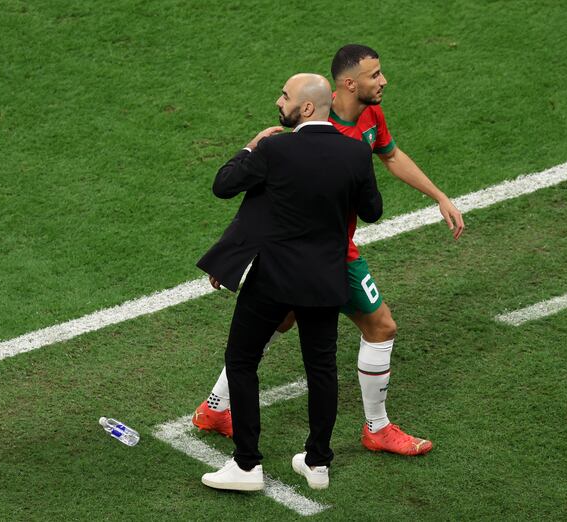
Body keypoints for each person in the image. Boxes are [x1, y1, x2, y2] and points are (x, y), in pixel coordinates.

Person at [193, 44, 463, 456]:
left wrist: (439, 195)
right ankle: (374, 429)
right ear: (349, 84)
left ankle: (215, 407)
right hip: (327, 257)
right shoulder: (314, 128)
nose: (384, 81)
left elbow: (390, 154)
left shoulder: (370, 115)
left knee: (279, 323)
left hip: (318, 253)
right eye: (375, 75)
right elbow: (264, 202)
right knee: (379, 327)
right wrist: (232, 255)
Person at [198, 73, 383, 491]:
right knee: (322, 369)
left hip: (273, 281)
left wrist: (252, 146)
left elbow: (224, 186)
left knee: (241, 361)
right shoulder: (356, 152)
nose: (278, 101)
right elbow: (372, 211)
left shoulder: (275, 149)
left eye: (285, 96)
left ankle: (247, 465)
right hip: (325, 280)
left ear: (306, 107)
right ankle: (317, 463)